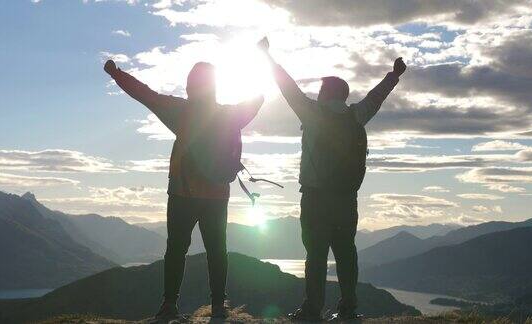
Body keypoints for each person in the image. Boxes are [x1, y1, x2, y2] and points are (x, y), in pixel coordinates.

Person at [258, 37, 406, 321]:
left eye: (321, 89)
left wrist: (267, 57)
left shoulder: (312, 114)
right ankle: (348, 310)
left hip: (315, 198)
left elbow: (287, 87)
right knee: (346, 254)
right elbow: (377, 97)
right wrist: (394, 76)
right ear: (345, 95)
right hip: (347, 199)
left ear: (327, 93)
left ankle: (312, 310)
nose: (317, 93)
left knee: (315, 256)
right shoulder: (356, 116)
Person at [104, 60, 264, 320]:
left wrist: (116, 74)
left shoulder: (180, 111)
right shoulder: (231, 115)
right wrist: (262, 68)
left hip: (182, 193)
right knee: (217, 249)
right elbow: (256, 102)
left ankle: (169, 304)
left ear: (190, 86)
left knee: (176, 249)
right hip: (217, 194)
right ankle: (218, 305)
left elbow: (145, 94)